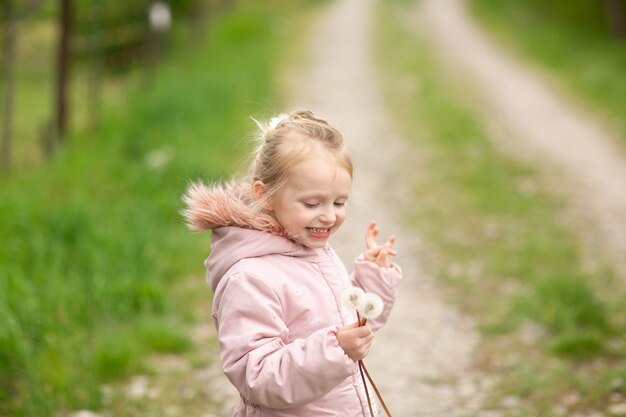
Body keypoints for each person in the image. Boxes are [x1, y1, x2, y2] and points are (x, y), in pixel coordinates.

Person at [182, 109, 402, 417]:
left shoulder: (313, 251)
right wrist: (336, 349)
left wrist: (374, 274)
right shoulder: (250, 276)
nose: (328, 215)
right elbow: (256, 375)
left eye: (339, 202)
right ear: (266, 196)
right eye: (312, 203)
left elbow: (353, 323)